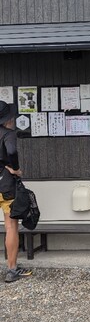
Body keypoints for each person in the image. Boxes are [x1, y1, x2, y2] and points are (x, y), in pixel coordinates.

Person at [0, 101, 32, 283]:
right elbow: (11, 151)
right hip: (5, 185)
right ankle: (12, 270)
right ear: (7, 118)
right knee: (11, 226)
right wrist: (16, 169)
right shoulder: (8, 134)